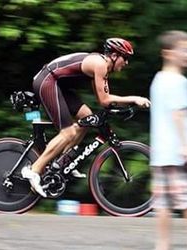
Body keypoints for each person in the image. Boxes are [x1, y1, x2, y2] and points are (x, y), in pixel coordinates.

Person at [21, 37, 151, 197]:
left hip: (57, 85)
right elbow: (105, 100)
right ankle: (34, 170)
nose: (126, 63)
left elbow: (104, 102)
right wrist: (134, 99)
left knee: (87, 116)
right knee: (68, 132)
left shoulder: (103, 65)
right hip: (48, 81)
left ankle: (63, 161)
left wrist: (125, 106)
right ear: (115, 55)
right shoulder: (101, 64)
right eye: (125, 58)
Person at [149, 30, 187, 250]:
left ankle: (162, 244)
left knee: (163, 204)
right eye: (186, 49)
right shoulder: (178, 81)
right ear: (168, 53)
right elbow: (179, 114)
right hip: (181, 154)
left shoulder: (158, 80)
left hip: (160, 155)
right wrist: (186, 146)